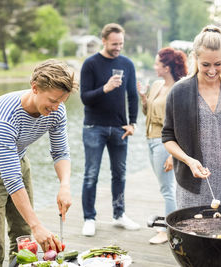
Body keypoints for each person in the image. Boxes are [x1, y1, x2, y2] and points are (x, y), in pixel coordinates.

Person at [0, 59, 78, 267]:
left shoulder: (57, 111)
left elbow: (60, 151)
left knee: (23, 237)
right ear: (35, 88)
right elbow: (10, 177)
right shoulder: (5, 115)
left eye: (61, 102)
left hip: (17, 160)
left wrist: (65, 185)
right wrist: (38, 225)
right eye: (53, 100)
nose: (56, 107)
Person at [161, 25, 221, 209]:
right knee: (191, 234)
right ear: (195, 58)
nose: (212, 70)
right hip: (191, 181)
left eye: (218, 64)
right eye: (206, 65)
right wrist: (189, 161)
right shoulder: (180, 91)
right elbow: (168, 137)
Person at [80, 23, 139, 236]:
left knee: (120, 174)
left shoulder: (127, 64)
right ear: (104, 41)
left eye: (121, 43)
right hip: (94, 127)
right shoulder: (90, 64)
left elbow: (132, 96)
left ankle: (119, 215)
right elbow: (84, 97)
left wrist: (133, 123)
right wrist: (105, 88)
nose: (118, 47)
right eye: (114, 44)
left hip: (119, 128)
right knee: (91, 174)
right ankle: (89, 218)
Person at [137, 47, 188, 244]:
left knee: (168, 188)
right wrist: (144, 97)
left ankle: (167, 230)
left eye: (157, 63)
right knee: (164, 187)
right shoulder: (157, 85)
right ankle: (173, 225)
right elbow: (147, 113)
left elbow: (181, 124)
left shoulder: (180, 89)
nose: (154, 66)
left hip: (164, 143)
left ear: (167, 67)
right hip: (150, 140)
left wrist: (173, 154)